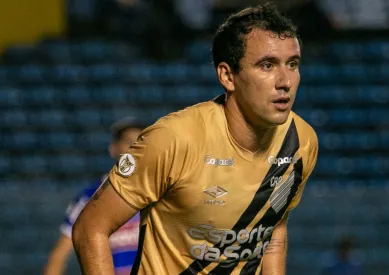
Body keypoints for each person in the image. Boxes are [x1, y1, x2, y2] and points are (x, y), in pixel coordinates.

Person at [72, 4, 318, 275]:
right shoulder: (174, 139)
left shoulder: (302, 142)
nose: (285, 81)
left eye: (292, 64)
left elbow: (274, 226)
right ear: (227, 76)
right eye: (267, 65)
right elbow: (90, 228)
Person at [44, 117, 144, 275]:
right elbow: (60, 255)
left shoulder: (162, 194)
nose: (134, 147)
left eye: (140, 143)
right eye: (128, 141)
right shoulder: (91, 197)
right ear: (113, 148)